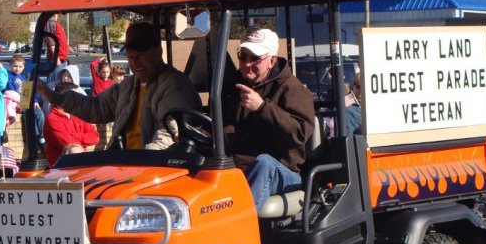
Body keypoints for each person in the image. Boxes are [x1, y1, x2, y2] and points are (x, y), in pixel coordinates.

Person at [36, 21, 202, 150]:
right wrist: (54, 97)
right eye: (130, 56)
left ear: (158, 52)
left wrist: (144, 161)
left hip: (155, 171)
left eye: (141, 55)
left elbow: (169, 134)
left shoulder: (174, 86)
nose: (135, 62)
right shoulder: (129, 85)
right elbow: (97, 107)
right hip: (126, 165)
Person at [223, 26, 315, 211]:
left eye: (255, 58)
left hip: (282, 170)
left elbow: (299, 134)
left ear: (272, 60)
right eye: (243, 56)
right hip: (238, 167)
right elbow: (223, 126)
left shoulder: (292, 89)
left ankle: (239, 233)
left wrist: (263, 108)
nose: (247, 63)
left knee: (264, 163)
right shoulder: (234, 88)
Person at [43, 82, 99, 166]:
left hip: (80, 165)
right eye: (74, 96)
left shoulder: (78, 113)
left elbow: (95, 138)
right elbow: (70, 146)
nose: (77, 99)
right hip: (61, 169)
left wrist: (73, 135)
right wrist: (82, 140)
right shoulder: (52, 119)